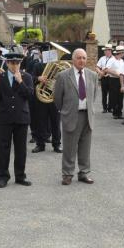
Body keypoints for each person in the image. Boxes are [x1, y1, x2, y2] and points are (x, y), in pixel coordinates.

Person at [54, 48, 97, 185]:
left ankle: (84, 172)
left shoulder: (92, 75)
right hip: (71, 115)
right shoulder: (63, 76)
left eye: (84, 58)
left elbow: (93, 96)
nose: (81, 60)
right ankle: (67, 174)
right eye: (79, 57)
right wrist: (66, 110)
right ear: (73, 59)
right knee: (69, 148)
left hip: (87, 116)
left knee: (85, 147)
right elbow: (57, 98)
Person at [0, 53, 34, 188]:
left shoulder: (26, 77)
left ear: (20, 63)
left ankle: (20, 176)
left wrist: (20, 81)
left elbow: (29, 95)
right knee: (3, 148)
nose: (14, 65)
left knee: (21, 149)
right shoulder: (1, 76)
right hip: (4, 117)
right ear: (7, 63)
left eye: (17, 63)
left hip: (21, 117)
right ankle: (2, 177)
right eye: (11, 62)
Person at [32, 44, 62, 154]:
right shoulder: (37, 65)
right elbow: (30, 77)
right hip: (41, 97)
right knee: (40, 121)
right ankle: (40, 144)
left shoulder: (57, 66)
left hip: (54, 97)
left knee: (56, 121)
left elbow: (63, 79)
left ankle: (56, 144)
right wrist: (38, 78)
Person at [105, 45, 124, 120]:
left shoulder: (122, 61)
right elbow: (106, 69)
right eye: (123, 52)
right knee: (114, 96)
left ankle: (119, 112)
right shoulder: (112, 60)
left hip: (121, 79)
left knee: (121, 96)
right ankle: (115, 113)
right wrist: (116, 73)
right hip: (114, 80)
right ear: (120, 53)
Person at [96, 44, 113, 113]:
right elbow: (97, 67)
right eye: (105, 50)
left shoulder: (114, 59)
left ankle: (110, 107)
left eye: (106, 50)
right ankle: (104, 108)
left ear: (110, 51)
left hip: (111, 77)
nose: (105, 52)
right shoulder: (102, 58)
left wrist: (108, 72)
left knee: (111, 94)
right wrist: (100, 72)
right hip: (103, 77)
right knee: (104, 94)